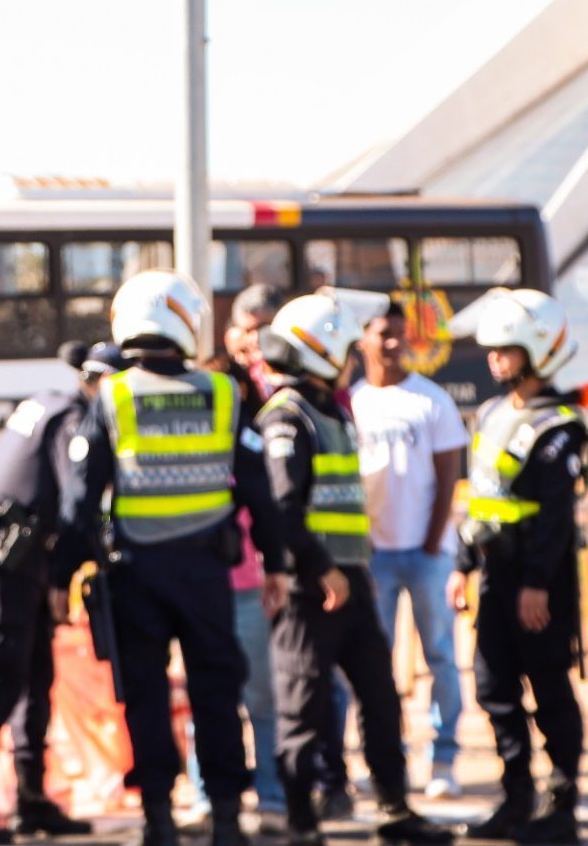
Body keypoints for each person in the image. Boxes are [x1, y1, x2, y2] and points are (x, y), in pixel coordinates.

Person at [50, 269, 288, 846]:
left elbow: (81, 498)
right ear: (187, 321)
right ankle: (227, 819)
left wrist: (60, 577)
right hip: (208, 574)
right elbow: (261, 489)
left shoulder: (112, 395)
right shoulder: (225, 393)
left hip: (138, 575)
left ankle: (160, 820)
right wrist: (277, 563)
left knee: (149, 698)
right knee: (216, 692)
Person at [254, 290, 455, 846]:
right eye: (342, 347)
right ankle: (300, 823)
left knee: (381, 697)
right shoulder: (287, 417)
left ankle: (394, 810)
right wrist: (323, 570)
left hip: (350, 580)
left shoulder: (331, 409)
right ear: (318, 350)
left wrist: (348, 569)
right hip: (312, 588)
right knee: (303, 706)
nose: (349, 358)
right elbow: (283, 508)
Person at [0, 343, 122, 844]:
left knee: (36, 676)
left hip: (15, 550)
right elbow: (77, 504)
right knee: (1, 676)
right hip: (6, 554)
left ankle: (31, 799)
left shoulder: (52, 400)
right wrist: (72, 570)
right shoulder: (74, 418)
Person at [446, 289, 587, 844]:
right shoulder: (490, 412)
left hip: (541, 583)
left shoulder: (560, 426)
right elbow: (480, 499)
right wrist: (462, 565)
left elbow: (556, 518)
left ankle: (562, 805)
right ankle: (516, 798)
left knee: (549, 688)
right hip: (495, 578)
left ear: (537, 351)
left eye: (505, 348)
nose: (493, 359)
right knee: (493, 687)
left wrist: (536, 584)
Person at [184, 285, 293, 833]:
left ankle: (271, 799)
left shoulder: (253, 434)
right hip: (200, 582)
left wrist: (275, 568)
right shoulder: (192, 440)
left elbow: (267, 509)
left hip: (246, 582)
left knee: (261, 697)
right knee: (209, 696)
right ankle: (208, 799)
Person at [349, 301, 467, 798]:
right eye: (384, 334)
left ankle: (442, 759)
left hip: (426, 554)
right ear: (363, 341)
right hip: (372, 558)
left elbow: (448, 476)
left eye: (401, 334)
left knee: (439, 655)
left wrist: (434, 541)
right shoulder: (350, 402)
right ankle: (384, 755)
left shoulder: (431, 400)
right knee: (373, 663)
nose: (394, 343)